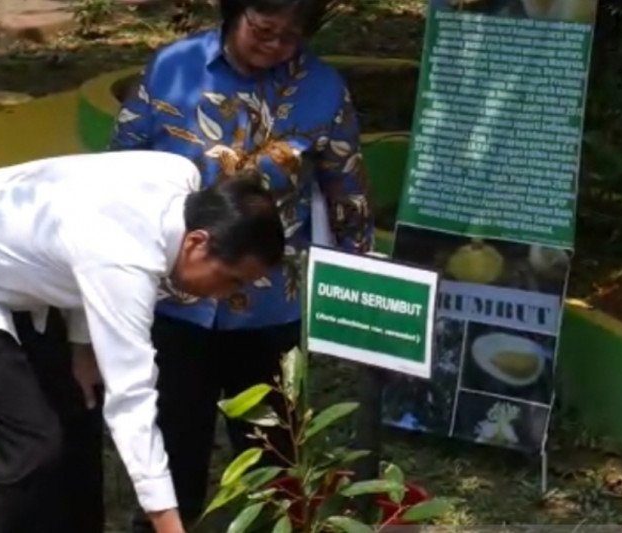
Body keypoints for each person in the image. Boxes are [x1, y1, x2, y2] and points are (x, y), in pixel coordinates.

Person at [0, 150, 285, 533]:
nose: (227, 296)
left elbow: (85, 229)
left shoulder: (177, 174)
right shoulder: (126, 261)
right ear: (197, 243)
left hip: (11, 251)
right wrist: (168, 523)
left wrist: (83, 348)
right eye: (232, 279)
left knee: (78, 410)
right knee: (33, 448)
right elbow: (132, 399)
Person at [111, 0, 375, 529]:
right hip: (175, 292)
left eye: (290, 36)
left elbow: (345, 186)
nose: (274, 45)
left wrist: (357, 269)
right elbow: (121, 160)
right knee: (172, 431)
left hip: (269, 301)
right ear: (235, 14)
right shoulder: (173, 67)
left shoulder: (323, 89)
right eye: (264, 29)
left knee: (274, 446)